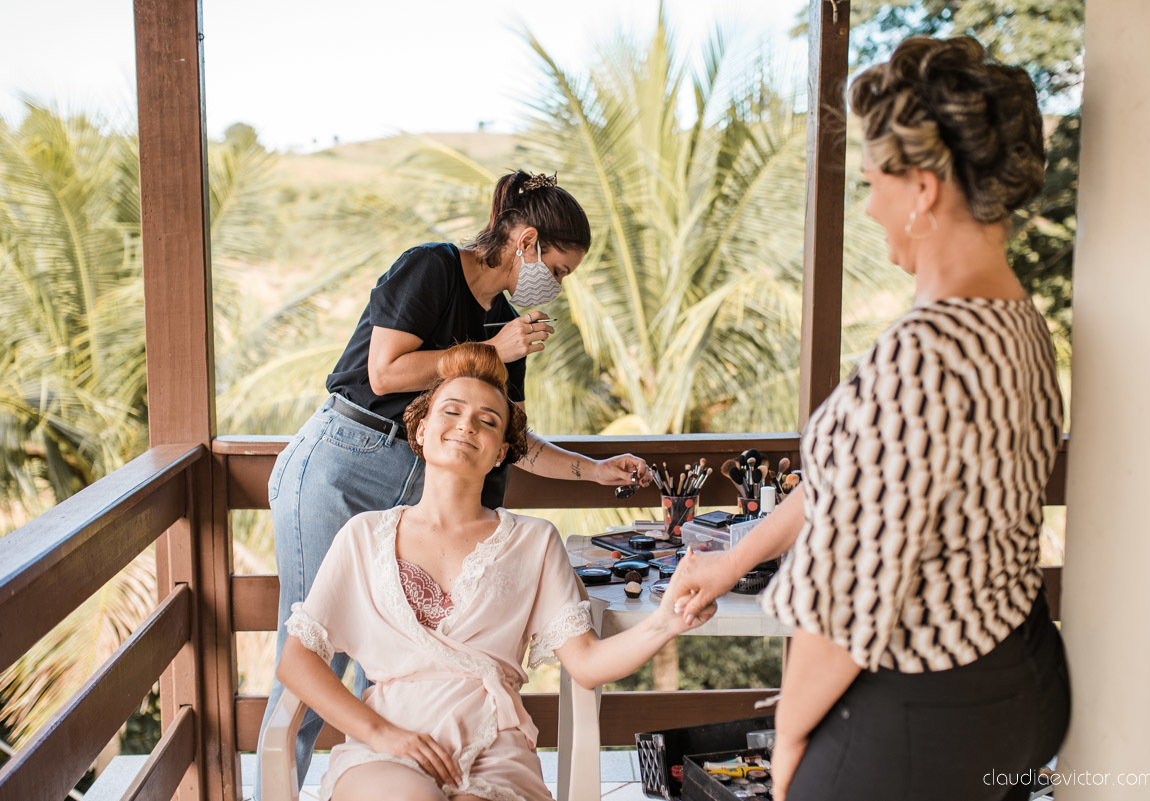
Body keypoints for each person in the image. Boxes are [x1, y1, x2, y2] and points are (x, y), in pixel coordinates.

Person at [672, 36, 1071, 801]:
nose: (869, 205)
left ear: (922, 190)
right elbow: (852, 481)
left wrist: (788, 738)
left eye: (871, 183)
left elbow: (843, 600)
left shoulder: (922, 354)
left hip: (926, 711)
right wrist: (730, 560)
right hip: (1022, 679)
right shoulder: (1017, 319)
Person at [256, 170, 652, 794]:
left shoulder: (505, 324)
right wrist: (494, 347)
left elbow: (511, 439)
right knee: (310, 663)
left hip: (416, 480)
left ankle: (403, 771)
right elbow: (384, 374)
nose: (558, 286)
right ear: (525, 243)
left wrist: (593, 470)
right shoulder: (432, 270)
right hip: (345, 462)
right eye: (560, 269)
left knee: (394, 662)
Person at [275, 343, 714, 801]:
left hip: (496, 744)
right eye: (452, 411)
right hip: (387, 742)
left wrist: (668, 620)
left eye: (487, 420)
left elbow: (586, 664)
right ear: (421, 429)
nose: (467, 424)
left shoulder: (534, 541)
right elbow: (297, 660)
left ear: (501, 451)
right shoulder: (363, 535)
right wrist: (383, 734)